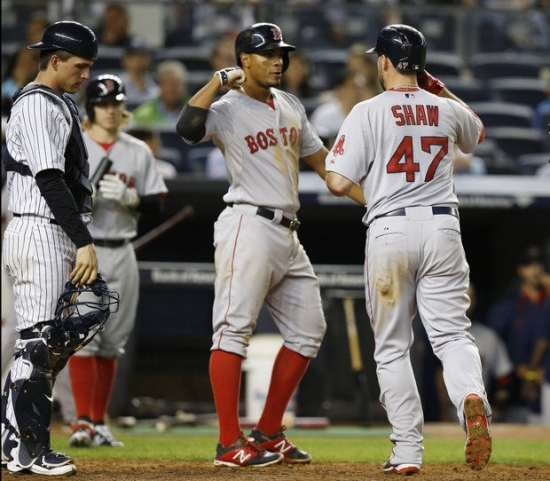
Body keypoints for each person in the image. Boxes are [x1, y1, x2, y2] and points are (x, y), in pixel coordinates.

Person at [176, 22, 365, 468]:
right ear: (244, 61)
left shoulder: (291, 104)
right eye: (267, 54)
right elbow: (186, 128)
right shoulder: (226, 107)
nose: (278, 60)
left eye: (281, 53)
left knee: (308, 330)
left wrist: (376, 202)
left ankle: (268, 432)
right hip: (248, 222)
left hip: (287, 231)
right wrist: (217, 81)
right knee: (232, 330)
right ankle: (228, 443)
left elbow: (326, 168)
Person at [325, 24, 492, 474]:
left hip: (390, 231)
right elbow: (476, 135)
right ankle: (471, 399)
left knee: (393, 347)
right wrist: (440, 89)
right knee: (453, 335)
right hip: (443, 229)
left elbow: (338, 182)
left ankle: (406, 453)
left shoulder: (367, 111)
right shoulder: (443, 107)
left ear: (383, 62)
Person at [1, 20, 99, 476]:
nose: (86, 75)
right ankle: (31, 450)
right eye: (79, 66)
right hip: (41, 229)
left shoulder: (57, 102)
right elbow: (49, 178)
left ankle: (12, 442)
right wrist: (83, 242)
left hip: (46, 229)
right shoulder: (39, 103)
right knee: (38, 343)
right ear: (54, 60)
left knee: (38, 343)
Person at [66, 74, 168, 448]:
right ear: (90, 109)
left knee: (112, 342)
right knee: (83, 336)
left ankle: (98, 421)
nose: (110, 111)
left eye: (115, 104)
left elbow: (158, 201)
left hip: (124, 247)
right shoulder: (75, 146)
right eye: (103, 104)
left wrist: (132, 198)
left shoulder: (136, 150)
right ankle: (80, 421)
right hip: (85, 248)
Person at [487, 245, 547, 423]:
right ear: (520, 270)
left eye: (539, 264)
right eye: (529, 265)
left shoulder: (548, 303)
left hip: (546, 384)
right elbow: (493, 348)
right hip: (514, 393)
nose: (535, 270)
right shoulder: (506, 307)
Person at [310, 68, 366, 150]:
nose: (359, 91)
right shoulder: (324, 113)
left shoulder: (368, 114)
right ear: (340, 90)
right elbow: (315, 145)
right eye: (354, 87)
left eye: (360, 87)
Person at [132, 60, 190, 127]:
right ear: (160, 86)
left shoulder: (196, 111)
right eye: (168, 84)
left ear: (184, 86)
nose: (172, 89)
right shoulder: (142, 115)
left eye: (177, 83)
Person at [118, 40, 160, 110]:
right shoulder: (118, 84)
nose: (138, 60)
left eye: (142, 56)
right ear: (124, 60)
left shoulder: (156, 83)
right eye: (134, 56)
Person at [1, 46, 39, 115]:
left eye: (29, 63)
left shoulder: (40, 86)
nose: (26, 67)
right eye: (23, 63)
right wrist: (19, 84)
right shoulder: (7, 84)